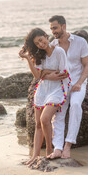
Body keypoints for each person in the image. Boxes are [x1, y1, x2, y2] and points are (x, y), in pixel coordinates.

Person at [19, 28, 71, 165]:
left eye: (41, 40)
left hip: (57, 89)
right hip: (42, 90)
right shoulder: (39, 55)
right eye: (37, 43)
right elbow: (37, 76)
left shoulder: (59, 52)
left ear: (46, 36)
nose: (41, 44)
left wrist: (45, 73)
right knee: (38, 124)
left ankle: (49, 150)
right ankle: (35, 156)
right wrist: (27, 59)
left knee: (45, 118)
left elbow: (63, 73)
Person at [42, 15, 88, 159]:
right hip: (61, 86)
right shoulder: (52, 45)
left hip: (78, 82)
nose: (53, 32)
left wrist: (79, 83)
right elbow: (45, 67)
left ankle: (68, 145)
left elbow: (87, 66)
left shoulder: (80, 42)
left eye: (55, 28)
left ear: (63, 26)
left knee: (75, 105)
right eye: (51, 29)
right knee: (59, 113)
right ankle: (57, 148)